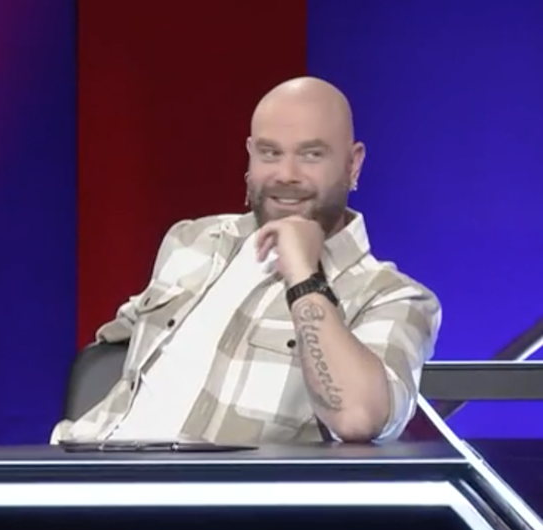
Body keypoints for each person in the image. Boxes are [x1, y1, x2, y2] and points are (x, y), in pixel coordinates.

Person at [54, 76, 441, 445]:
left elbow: (358, 417)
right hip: (85, 464)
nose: (286, 174)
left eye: (311, 154)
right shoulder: (194, 241)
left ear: (353, 164)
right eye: (270, 153)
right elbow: (119, 337)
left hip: (210, 490)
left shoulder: (393, 297)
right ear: (250, 156)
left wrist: (305, 278)